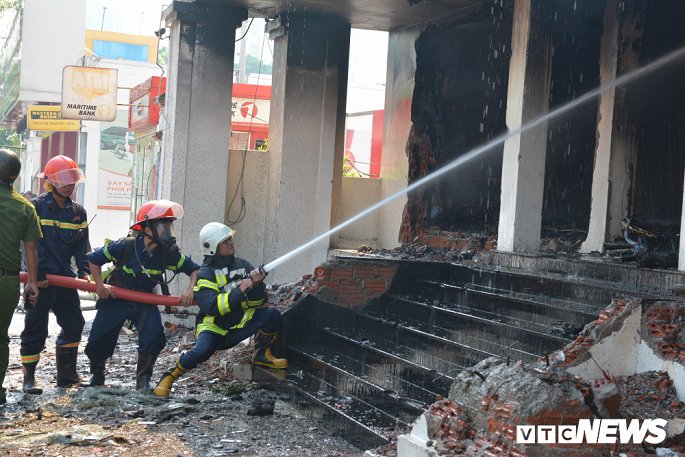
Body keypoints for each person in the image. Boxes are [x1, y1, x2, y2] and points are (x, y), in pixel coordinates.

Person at [153, 222, 287, 398]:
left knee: (272, 315)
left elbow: (257, 303)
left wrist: (257, 285)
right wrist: (240, 289)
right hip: (214, 327)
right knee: (202, 351)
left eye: (230, 238)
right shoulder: (205, 273)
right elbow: (214, 307)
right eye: (225, 241)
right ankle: (170, 376)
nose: (230, 242)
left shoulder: (243, 265)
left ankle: (261, 355)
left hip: (239, 324)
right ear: (212, 247)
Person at [85, 199, 200, 389]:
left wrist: (190, 290)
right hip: (116, 299)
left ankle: (143, 380)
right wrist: (99, 286)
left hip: (144, 301)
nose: (168, 232)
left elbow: (195, 270)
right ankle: (97, 374)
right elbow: (94, 260)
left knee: (154, 335)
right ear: (148, 230)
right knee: (99, 337)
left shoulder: (167, 254)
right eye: (163, 227)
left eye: (169, 227)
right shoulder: (125, 246)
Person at [20, 155, 89, 394]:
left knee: (75, 323)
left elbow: (82, 249)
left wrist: (85, 273)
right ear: (50, 182)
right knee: (35, 327)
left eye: (72, 179)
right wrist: (32, 278)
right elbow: (26, 245)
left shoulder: (78, 212)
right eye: (64, 179)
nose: (69, 184)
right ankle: (29, 379)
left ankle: (67, 376)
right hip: (39, 279)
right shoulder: (36, 208)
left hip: (64, 279)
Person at [0, 149, 41, 405]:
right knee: (1, 337)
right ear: (15, 176)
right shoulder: (25, 206)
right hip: (7, 281)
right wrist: (33, 283)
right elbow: (31, 248)